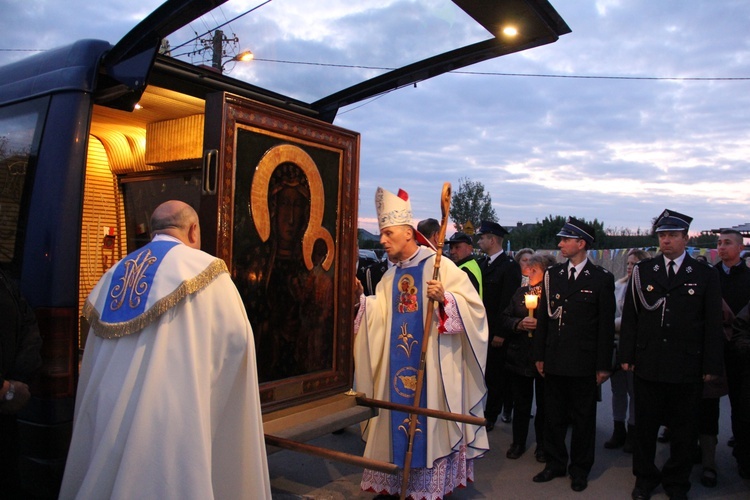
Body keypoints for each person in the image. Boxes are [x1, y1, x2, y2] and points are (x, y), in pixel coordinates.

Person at [59, 200, 271, 500]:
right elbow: (237, 347)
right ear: (193, 230)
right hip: (171, 429)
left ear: (153, 232)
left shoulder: (111, 276)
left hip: (106, 421)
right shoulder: (207, 272)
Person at [353, 187, 489, 500]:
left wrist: (447, 300)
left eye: (387, 234)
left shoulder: (441, 266)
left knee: (429, 429)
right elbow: (380, 317)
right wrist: (361, 302)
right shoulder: (390, 277)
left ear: (407, 233)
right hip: (397, 375)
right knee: (395, 424)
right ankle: (397, 484)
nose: (382, 241)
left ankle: (427, 488)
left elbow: (476, 311)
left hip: (434, 376)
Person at [620, 209, 723, 500]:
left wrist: (710, 364)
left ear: (684, 238)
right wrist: (626, 353)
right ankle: (645, 479)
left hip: (686, 364)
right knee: (646, 427)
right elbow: (632, 317)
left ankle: (677, 482)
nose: (666, 241)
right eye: (662, 235)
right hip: (649, 362)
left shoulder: (704, 274)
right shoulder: (644, 271)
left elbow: (712, 323)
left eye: (672, 236)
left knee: (683, 429)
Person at [532, 217, 615, 493]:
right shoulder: (552, 275)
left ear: (581, 244)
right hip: (555, 358)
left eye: (566, 240)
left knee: (582, 420)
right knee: (553, 416)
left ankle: (580, 469)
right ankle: (555, 463)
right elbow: (544, 319)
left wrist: (604, 365)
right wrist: (540, 355)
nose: (560, 244)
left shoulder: (602, 279)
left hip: (583, 361)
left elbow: (604, 327)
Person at [500, 253, 554, 462]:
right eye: (528, 269)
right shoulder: (520, 293)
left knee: (544, 405)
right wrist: (518, 324)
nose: (528, 273)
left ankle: (542, 445)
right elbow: (505, 317)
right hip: (519, 356)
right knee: (521, 404)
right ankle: (518, 442)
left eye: (534, 270)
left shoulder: (554, 294)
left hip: (544, 358)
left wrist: (540, 326)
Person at [0, 268, 42, 499]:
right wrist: (6, 390)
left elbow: (28, 326)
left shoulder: (5, 281)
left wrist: (20, 381)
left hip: (8, 418)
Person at [477, 220, 521, 430]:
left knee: (496, 376)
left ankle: (491, 414)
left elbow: (507, 302)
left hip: (496, 331)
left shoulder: (509, 267)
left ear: (492, 239)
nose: (480, 241)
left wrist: (501, 333)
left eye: (482, 237)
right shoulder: (483, 264)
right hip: (480, 329)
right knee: (482, 374)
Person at [606, 248, 649, 453]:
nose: (631, 268)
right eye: (629, 264)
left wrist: (615, 323)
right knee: (618, 390)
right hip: (616, 343)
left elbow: (639, 320)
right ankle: (618, 428)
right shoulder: (619, 286)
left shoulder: (646, 288)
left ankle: (633, 431)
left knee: (635, 391)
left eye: (635, 264)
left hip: (636, 346)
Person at [716, 228, 750, 480]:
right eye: (719, 243)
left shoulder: (748, 278)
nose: (722, 247)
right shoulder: (709, 276)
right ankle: (703, 449)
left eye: (728, 243)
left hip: (741, 350)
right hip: (714, 347)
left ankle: (742, 450)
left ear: (740, 248)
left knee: (742, 404)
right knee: (707, 402)